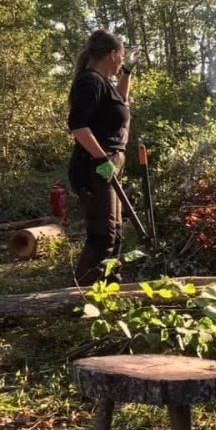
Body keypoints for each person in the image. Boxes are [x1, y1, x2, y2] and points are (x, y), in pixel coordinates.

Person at [67, 29, 140, 285]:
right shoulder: (90, 82)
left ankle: (110, 286)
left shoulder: (103, 82)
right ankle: (83, 294)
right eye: (121, 57)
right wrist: (102, 160)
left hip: (108, 163)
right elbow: (78, 126)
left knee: (116, 232)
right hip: (95, 167)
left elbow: (121, 100)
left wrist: (128, 71)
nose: (121, 61)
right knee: (103, 235)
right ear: (111, 54)